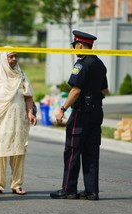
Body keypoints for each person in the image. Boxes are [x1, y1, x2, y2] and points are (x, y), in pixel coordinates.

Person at [50, 30, 109, 201]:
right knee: (91, 152)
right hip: (97, 111)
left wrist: (62, 108)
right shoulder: (99, 63)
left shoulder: (81, 64)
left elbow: (75, 90)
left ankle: (69, 189)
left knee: (72, 151)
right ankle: (91, 191)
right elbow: (104, 89)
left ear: (80, 45)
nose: (75, 48)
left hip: (81, 113)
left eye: (75, 45)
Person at [0, 48, 37, 195]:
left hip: (19, 121)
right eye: (10, 57)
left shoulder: (21, 76)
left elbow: (28, 96)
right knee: (0, 153)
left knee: (18, 152)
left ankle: (17, 184)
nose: (13, 59)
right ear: (3, 59)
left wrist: (30, 113)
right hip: (1, 122)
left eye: (15, 56)